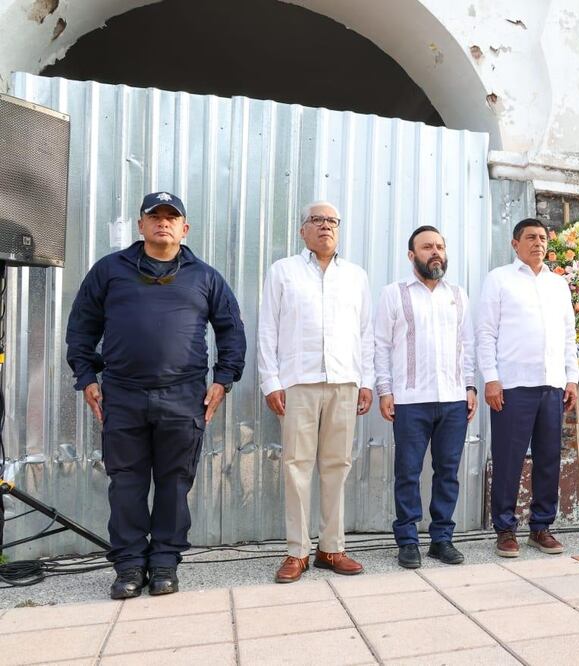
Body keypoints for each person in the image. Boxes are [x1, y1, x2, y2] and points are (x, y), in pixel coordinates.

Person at [66, 191, 246, 599]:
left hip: (183, 396)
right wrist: (86, 375)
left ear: (185, 228)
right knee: (125, 483)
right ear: (141, 224)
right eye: (155, 216)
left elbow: (231, 331)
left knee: (174, 483)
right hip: (123, 394)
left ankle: (164, 563)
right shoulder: (109, 271)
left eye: (171, 217)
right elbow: (82, 327)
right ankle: (129, 566)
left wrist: (224, 378)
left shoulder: (205, 276)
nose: (163, 222)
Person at [258, 201, 374, 583]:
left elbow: (366, 333)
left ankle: (331, 548)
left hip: (344, 382)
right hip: (298, 382)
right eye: (317, 220)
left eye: (332, 221)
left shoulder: (355, 276)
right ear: (302, 230)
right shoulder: (284, 272)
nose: (325, 226)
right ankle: (297, 552)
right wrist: (271, 381)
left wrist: (366, 380)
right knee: (296, 467)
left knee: (337, 467)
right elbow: (267, 329)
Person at [374, 225, 476, 569]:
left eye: (440, 247)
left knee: (448, 471)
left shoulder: (458, 294)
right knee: (408, 471)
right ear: (411, 255)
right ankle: (407, 541)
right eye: (427, 247)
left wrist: (470, 387)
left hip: (452, 398)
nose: (435, 253)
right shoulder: (395, 293)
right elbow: (381, 345)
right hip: (409, 399)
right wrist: (385, 390)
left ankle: (441, 539)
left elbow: (468, 345)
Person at [476, 218, 578, 558]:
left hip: (551, 384)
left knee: (549, 458)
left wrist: (571, 378)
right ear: (515, 243)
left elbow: (567, 336)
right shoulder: (499, 279)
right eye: (531, 237)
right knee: (509, 459)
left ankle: (541, 526)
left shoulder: (557, 284)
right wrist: (491, 377)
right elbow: (486, 333)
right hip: (513, 386)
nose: (538, 243)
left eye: (543, 238)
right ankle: (505, 528)